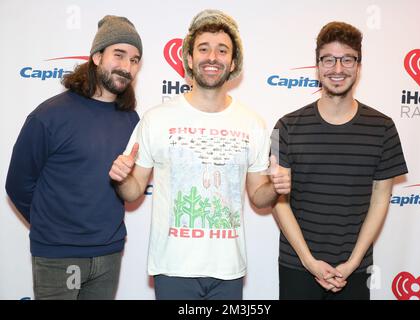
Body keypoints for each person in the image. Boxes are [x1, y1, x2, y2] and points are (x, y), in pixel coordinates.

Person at [109, 9, 290, 300]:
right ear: (190, 59)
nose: (212, 58)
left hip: (228, 270)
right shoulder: (157, 119)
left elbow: (259, 196)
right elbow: (132, 193)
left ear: (233, 63)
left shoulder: (252, 123)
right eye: (203, 49)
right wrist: (122, 177)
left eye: (222, 50)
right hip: (173, 269)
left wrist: (276, 187)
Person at [5, 15, 143, 300]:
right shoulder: (50, 115)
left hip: (109, 254)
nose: (127, 66)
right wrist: (52, 226)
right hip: (59, 257)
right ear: (96, 57)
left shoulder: (131, 119)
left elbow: (129, 185)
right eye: (119, 55)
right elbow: (18, 184)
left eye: (134, 59)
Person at [272, 21, 408, 300]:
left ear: (359, 65)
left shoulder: (383, 127)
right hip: (297, 266)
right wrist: (310, 262)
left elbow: (380, 199)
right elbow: (278, 200)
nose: (337, 69)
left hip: (354, 270)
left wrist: (354, 261)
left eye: (347, 59)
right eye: (329, 60)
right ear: (317, 65)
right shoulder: (284, 126)